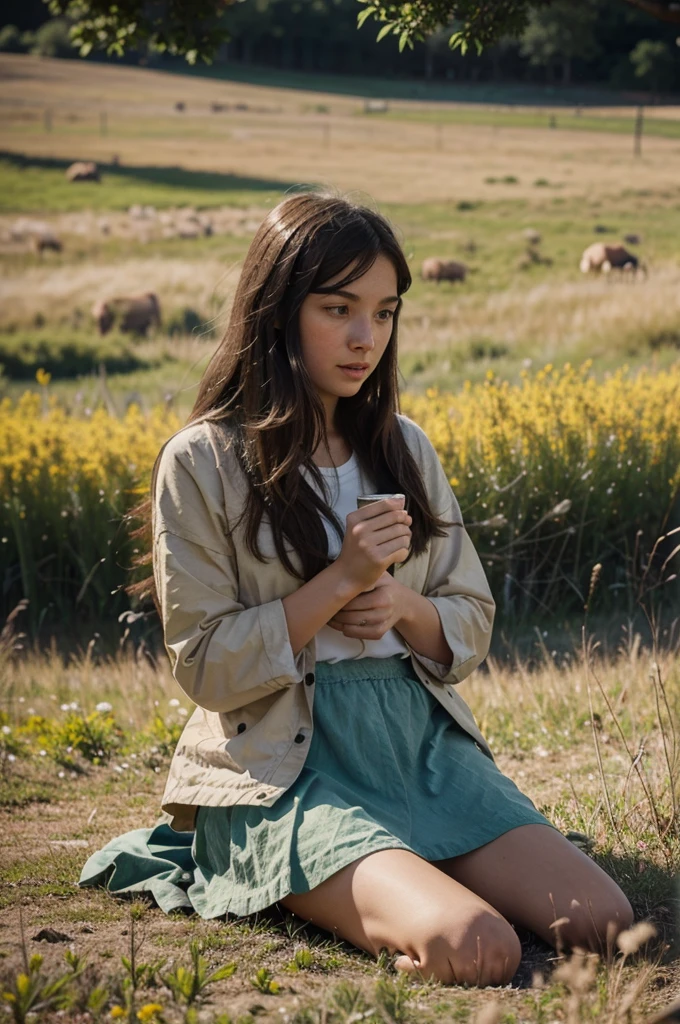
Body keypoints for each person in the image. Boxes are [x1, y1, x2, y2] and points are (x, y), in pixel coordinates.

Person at [80, 190, 633, 986]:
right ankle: (301, 873)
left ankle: (394, 875)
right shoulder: (200, 462)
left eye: (384, 311)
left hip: (418, 744)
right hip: (283, 761)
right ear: (277, 312)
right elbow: (204, 666)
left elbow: (469, 617)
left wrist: (405, 608)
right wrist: (339, 583)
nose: (365, 337)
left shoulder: (402, 446)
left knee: (606, 923)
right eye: (338, 308)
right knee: (480, 948)